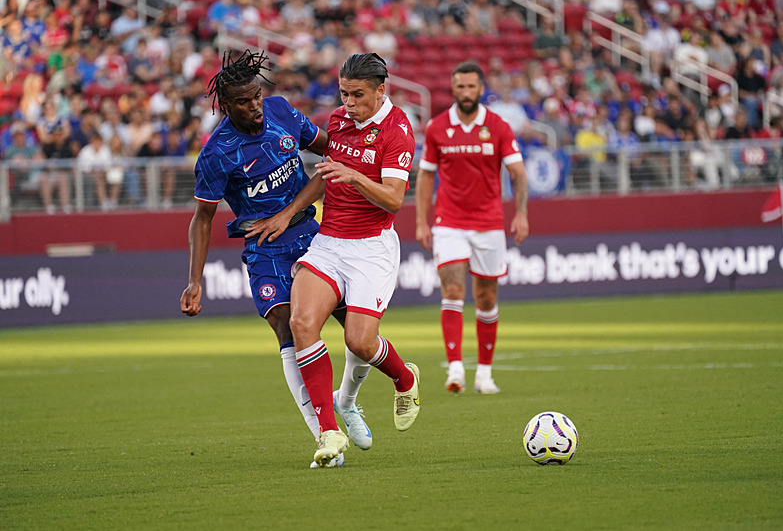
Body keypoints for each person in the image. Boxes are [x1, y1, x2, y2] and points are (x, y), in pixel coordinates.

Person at [179, 50, 373, 469]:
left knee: (356, 328)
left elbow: (331, 156)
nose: (254, 107)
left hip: (310, 233)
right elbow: (202, 219)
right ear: (225, 106)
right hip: (264, 247)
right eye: (244, 103)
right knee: (286, 324)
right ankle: (325, 433)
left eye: (257, 97)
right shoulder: (217, 153)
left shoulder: (282, 112)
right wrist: (195, 281)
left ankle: (349, 402)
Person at [284, 53, 420, 467]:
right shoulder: (338, 121)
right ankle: (329, 431)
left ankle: (405, 378)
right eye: (344, 93)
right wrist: (288, 213)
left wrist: (358, 176)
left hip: (372, 248)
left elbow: (395, 200)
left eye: (358, 95)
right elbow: (327, 175)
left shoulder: (397, 131)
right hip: (329, 242)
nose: (348, 103)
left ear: (382, 90)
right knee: (301, 322)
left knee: (358, 341)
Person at [415, 61, 529, 395]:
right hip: (449, 221)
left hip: (489, 223)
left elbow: (518, 173)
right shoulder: (437, 128)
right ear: (453, 88)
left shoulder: (498, 126)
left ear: (481, 89)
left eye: (471, 87)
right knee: (451, 289)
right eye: (460, 86)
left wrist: (521, 214)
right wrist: (422, 221)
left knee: (486, 297)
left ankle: (484, 373)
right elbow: (425, 175)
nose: (466, 92)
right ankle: (455, 370)